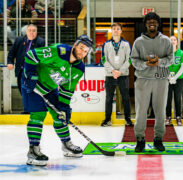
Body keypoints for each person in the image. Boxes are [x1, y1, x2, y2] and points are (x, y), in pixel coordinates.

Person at [22, 35, 93, 166]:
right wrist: (31, 74)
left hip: (49, 88)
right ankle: (33, 150)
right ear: (75, 45)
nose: (82, 52)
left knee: (60, 115)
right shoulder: (58, 52)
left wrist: (64, 108)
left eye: (86, 51)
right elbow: (31, 55)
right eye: (81, 47)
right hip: (33, 83)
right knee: (38, 115)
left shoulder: (79, 69)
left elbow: (67, 90)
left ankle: (66, 144)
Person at [131, 12, 173, 152]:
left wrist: (159, 62)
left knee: (160, 111)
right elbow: (134, 60)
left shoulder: (166, 41)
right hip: (143, 79)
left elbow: (171, 59)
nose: (152, 23)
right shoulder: (139, 42)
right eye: (149, 21)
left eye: (154, 21)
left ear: (158, 24)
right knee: (141, 111)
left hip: (161, 79)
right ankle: (140, 139)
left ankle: (158, 138)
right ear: (146, 24)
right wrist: (145, 64)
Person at [100, 23, 133, 127]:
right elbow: (103, 59)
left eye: (118, 29)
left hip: (123, 75)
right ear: (111, 31)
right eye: (114, 29)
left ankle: (127, 119)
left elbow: (129, 59)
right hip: (110, 75)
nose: (116, 30)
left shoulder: (126, 44)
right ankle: (107, 120)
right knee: (109, 98)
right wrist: (113, 71)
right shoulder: (106, 44)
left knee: (126, 97)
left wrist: (120, 71)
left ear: (121, 31)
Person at [7, 24, 45, 96]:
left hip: (33, 72)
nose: (31, 33)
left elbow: (43, 58)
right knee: (21, 89)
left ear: (36, 32)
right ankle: (27, 105)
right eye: (29, 30)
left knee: (32, 91)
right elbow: (12, 52)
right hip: (21, 70)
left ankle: (32, 106)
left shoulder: (41, 42)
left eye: (34, 31)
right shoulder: (19, 40)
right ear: (26, 32)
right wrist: (10, 62)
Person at [165, 35, 183, 126]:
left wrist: (175, 77)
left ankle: (178, 117)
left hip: (179, 79)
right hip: (167, 80)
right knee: (168, 99)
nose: (173, 41)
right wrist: (169, 77)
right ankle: (168, 117)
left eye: (174, 40)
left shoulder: (181, 53)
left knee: (178, 98)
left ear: (177, 42)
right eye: (171, 40)